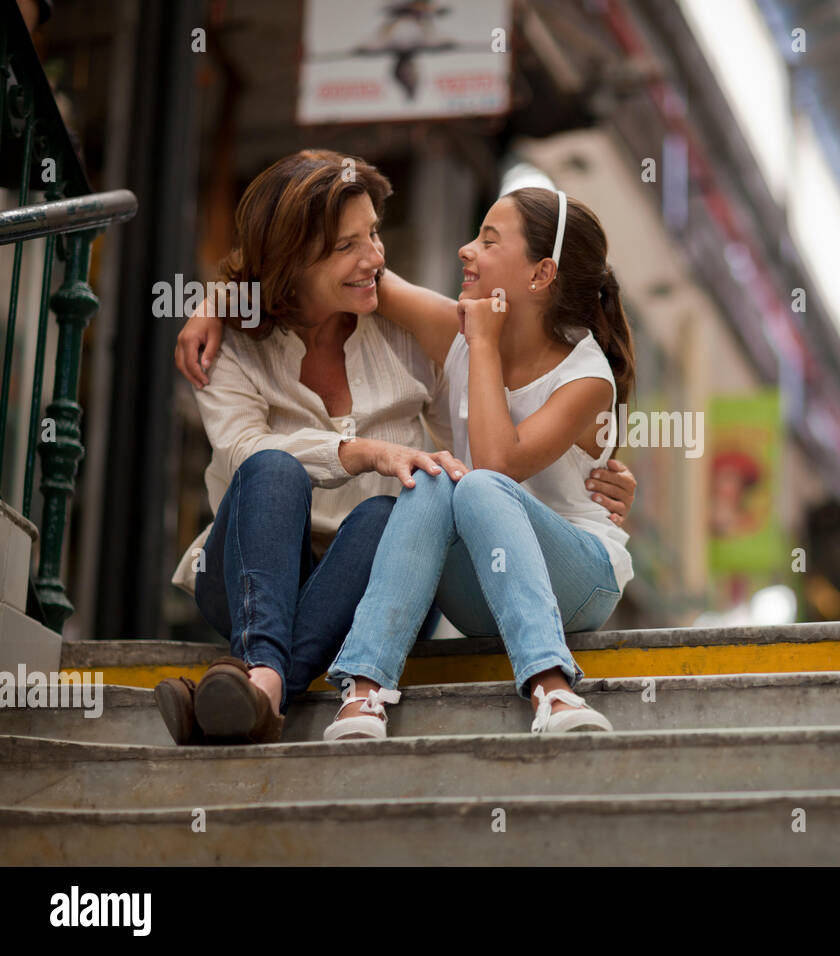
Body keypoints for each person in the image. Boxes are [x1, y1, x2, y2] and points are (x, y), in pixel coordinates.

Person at [161, 151, 638, 745]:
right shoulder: (233, 340)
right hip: (253, 575)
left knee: (402, 503)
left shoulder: (412, 331)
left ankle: (263, 686)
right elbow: (241, 452)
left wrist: (591, 467)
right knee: (270, 467)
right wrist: (219, 301)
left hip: (369, 580)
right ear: (291, 265)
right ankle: (276, 676)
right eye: (347, 245)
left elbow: (491, 461)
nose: (375, 260)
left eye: (375, 235)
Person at [323, 186, 634, 739]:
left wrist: (483, 345)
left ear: (540, 276)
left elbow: (497, 463)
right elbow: (350, 269)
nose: (466, 250)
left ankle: (551, 684)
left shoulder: (585, 378)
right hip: (488, 588)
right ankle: (366, 690)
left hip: (578, 581)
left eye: (488, 241)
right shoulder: (459, 330)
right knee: (434, 476)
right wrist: (212, 302)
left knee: (478, 483)